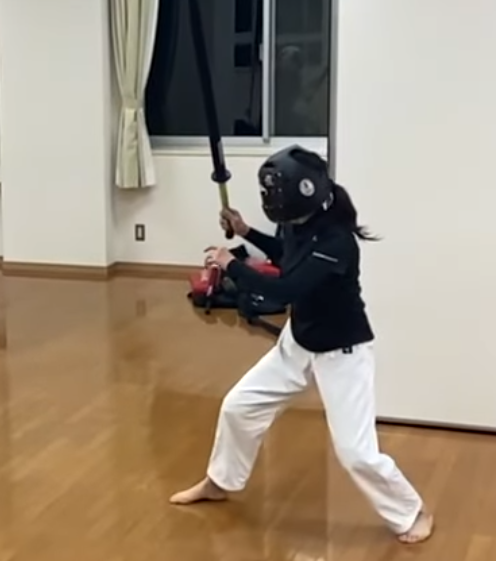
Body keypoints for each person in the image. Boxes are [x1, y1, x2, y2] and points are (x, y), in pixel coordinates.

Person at [169, 145, 434, 544]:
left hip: (342, 352)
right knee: (239, 407)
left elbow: (287, 287)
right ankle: (220, 482)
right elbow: (286, 255)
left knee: (356, 452)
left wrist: (232, 264)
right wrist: (245, 231)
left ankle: (412, 511)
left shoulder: (337, 240)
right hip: (299, 342)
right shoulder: (299, 222)